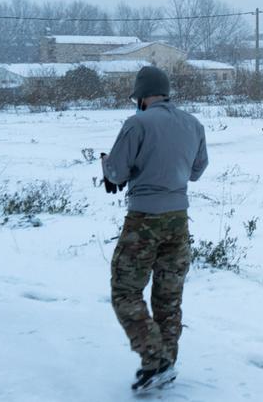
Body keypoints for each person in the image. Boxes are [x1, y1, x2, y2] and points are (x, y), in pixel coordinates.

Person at [102, 65, 208, 392]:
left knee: (125, 291)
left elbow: (117, 172)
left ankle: (155, 359)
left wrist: (108, 166)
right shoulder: (193, 123)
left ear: (142, 96)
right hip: (178, 219)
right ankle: (166, 362)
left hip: (144, 220)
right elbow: (197, 170)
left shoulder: (137, 123)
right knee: (168, 296)